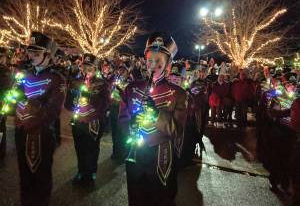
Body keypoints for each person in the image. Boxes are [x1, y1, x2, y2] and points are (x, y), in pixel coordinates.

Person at [119, 32, 187, 206]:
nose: (153, 66)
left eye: (159, 62)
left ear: (168, 64)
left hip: (161, 155)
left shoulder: (179, 94)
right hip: (136, 151)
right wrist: (130, 125)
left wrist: (157, 114)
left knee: (161, 198)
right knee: (136, 197)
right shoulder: (132, 88)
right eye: (150, 60)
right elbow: (122, 118)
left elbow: (177, 131)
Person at [14, 31, 66, 206]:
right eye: (31, 52)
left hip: (42, 134)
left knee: (41, 177)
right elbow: (15, 101)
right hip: (22, 131)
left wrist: (31, 108)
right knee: (24, 176)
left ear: (48, 55)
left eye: (37, 53)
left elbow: (52, 111)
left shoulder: (57, 78)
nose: (32, 56)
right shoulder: (24, 75)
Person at [69, 53, 110, 185]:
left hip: (94, 122)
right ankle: (81, 172)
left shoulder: (102, 83)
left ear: (96, 68)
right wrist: (72, 99)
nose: (86, 70)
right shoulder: (76, 82)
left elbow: (106, 104)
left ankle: (90, 174)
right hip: (78, 121)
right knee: (79, 148)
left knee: (92, 149)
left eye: (90, 67)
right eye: (84, 67)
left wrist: (90, 98)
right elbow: (67, 104)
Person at [0, 47, 11, 160]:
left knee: (1, 127)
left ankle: (1, 151)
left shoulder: (5, 70)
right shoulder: (5, 70)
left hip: (1, 103)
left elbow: (5, 87)